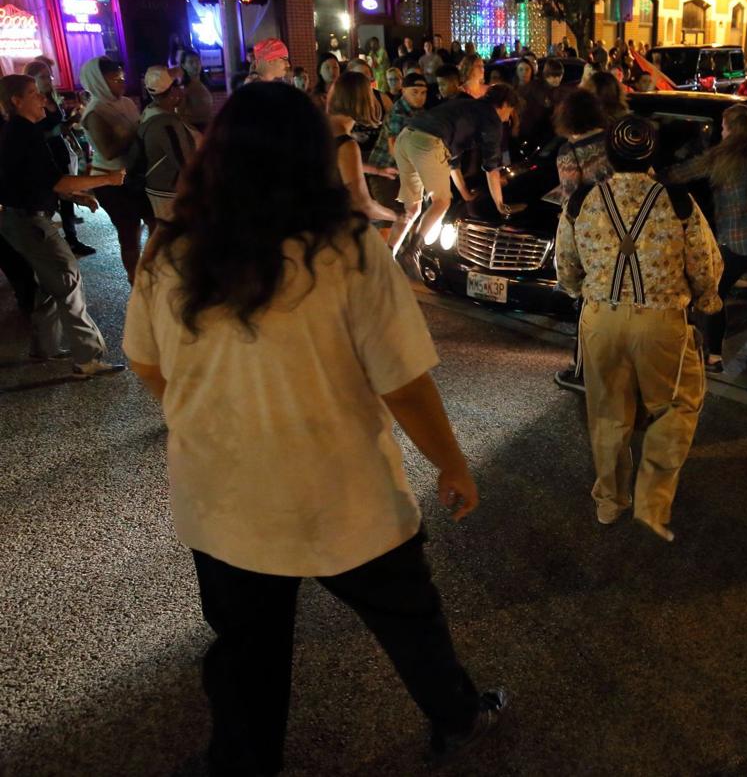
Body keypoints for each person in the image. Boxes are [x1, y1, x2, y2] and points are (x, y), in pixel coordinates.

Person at [122, 81, 508, 772]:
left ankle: (244, 763)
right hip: (345, 495)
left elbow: (147, 366)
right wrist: (451, 461)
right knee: (410, 621)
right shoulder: (348, 251)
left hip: (223, 500)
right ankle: (457, 716)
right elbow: (405, 384)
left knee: (246, 654)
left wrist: (213, 416)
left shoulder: (171, 251)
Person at [555, 114, 721, 542]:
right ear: (652, 153)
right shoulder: (679, 201)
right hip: (661, 320)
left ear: (608, 153)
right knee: (676, 407)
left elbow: (566, 265)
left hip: (601, 320)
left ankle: (610, 502)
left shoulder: (581, 202)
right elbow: (704, 262)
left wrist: (578, 290)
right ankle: (654, 499)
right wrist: (706, 300)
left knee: (608, 415)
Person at [0, 74, 125, 376]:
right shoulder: (24, 134)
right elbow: (57, 180)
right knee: (67, 280)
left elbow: (39, 182)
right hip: (29, 221)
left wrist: (78, 197)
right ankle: (87, 357)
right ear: (16, 101)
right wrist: (107, 179)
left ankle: (46, 348)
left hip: (16, 219)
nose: (43, 98)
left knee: (49, 281)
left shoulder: (16, 132)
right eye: (33, 93)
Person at [663, 104, 747, 374]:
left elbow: (681, 174)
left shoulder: (724, 157)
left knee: (715, 295)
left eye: (723, 127)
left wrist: (660, 171)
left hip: (741, 239)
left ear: (733, 130)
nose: (721, 132)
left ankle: (713, 357)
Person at [388, 83, 519, 253]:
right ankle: (412, 253)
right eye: (510, 112)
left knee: (412, 207)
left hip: (406, 138)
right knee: (441, 201)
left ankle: (389, 252)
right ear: (505, 104)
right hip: (428, 143)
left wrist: (465, 194)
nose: (508, 118)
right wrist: (500, 204)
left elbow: (451, 162)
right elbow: (491, 167)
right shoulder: (492, 119)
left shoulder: (464, 107)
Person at [551, 89, 618, 394]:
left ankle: (582, 371)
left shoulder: (570, 151)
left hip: (594, 232)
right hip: (630, 223)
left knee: (588, 303)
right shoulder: (615, 138)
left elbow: (571, 196)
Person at [79, 57, 153, 284]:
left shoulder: (127, 103)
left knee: (154, 221)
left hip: (135, 175)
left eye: (122, 77)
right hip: (111, 182)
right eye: (115, 79)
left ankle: (153, 272)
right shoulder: (95, 112)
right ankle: (135, 281)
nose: (122, 82)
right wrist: (138, 130)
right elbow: (109, 150)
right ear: (98, 81)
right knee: (129, 233)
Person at [22, 60, 95, 257]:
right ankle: (45, 245)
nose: (49, 80)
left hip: (60, 148)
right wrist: (60, 127)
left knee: (67, 198)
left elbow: (57, 126)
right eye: (43, 77)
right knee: (49, 198)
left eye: (50, 75)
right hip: (46, 152)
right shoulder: (32, 103)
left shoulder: (50, 97)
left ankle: (71, 240)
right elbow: (36, 132)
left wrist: (70, 122)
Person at [328, 71, 399, 228]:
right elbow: (364, 205)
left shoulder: (322, 126)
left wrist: (376, 170)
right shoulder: (346, 143)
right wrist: (396, 216)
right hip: (331, 226)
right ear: (364, 100)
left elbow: (338, 164)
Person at [137, 65, 199, 223]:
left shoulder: (151, 111)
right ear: (172, 91)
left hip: (162, 189)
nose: (184, 88)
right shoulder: (166, 123)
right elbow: (184, 162)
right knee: (175, 238)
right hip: (169, 192)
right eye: (180, 84)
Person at [177, 49, 213, 132]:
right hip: (195, 129)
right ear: (183, 65)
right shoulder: (184, 88)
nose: (195, 65)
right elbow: (180, 115)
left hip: (208, 127)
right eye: (191, 62)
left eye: (197, 61)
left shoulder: (204, 83)